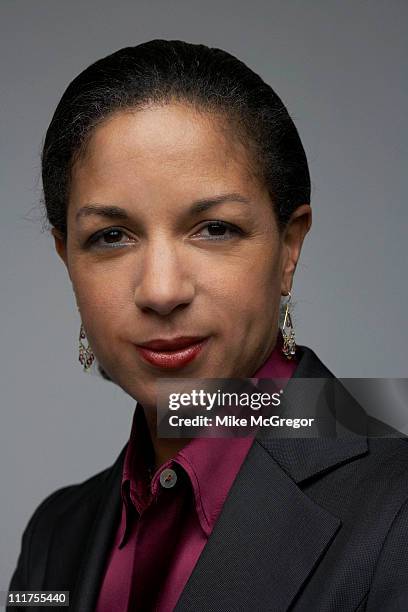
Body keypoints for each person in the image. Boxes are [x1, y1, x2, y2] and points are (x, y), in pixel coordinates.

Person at [7, 39, 408, 612]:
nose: (162, 290)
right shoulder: (54, 536)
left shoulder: (396, 511)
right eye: (110, 237)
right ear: (65, 256)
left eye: (214, 229)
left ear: (289, 247)